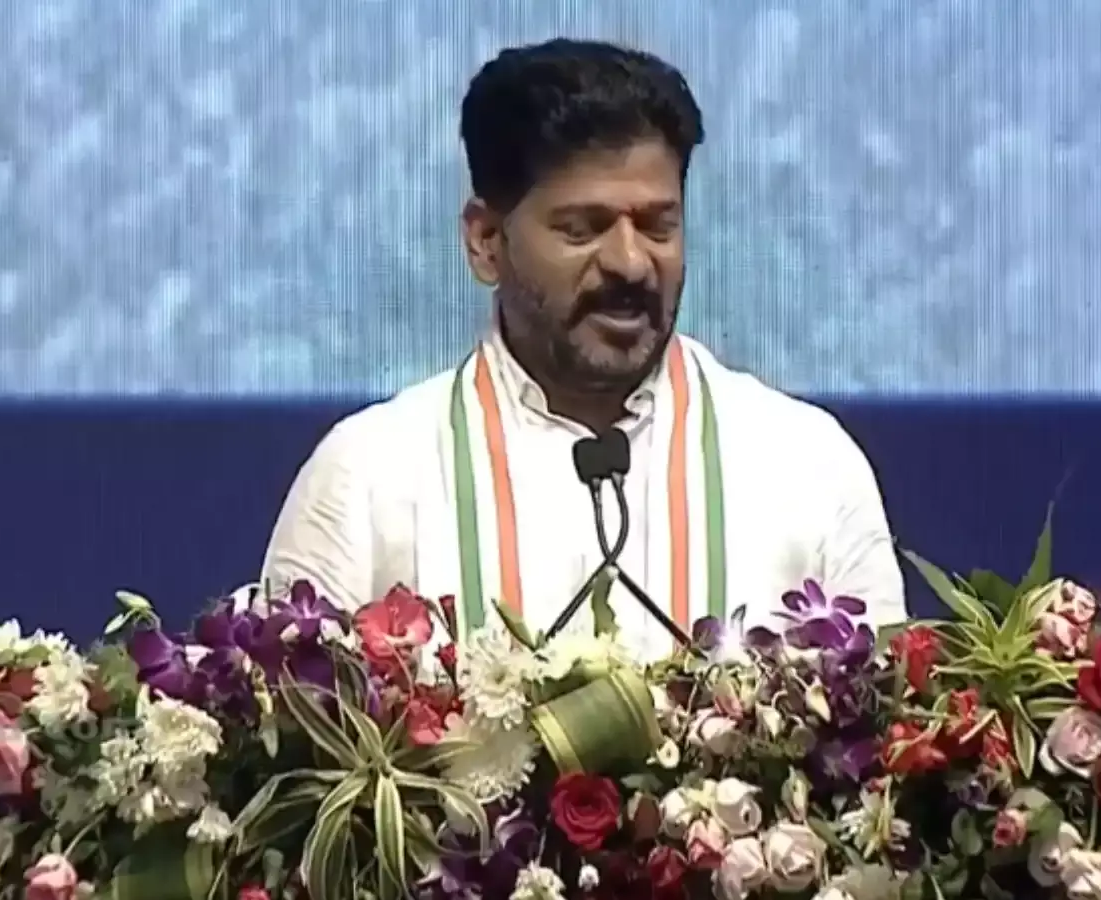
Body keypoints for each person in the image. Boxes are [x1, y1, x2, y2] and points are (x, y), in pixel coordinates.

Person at [264, 38, 906, 658]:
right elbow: (286, 721)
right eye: (581, 229)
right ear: (486, 242)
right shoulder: (366, 478)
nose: (630, 262)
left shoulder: (809, 466)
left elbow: (884, 722)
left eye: (657, 226)